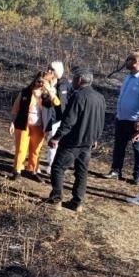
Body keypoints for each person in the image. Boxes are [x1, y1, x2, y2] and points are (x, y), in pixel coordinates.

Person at [47, 68, 106, 212]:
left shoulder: (78, 96)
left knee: (58, 168)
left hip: (73, 141)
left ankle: (56, 199)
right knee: (81, 172)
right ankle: (77, 202)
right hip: (88, 142)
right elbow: (101, 121)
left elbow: (69, 120)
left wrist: (57, 137)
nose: (71, 81)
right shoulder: (100, 97)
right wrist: (96, 137)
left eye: (73, 79)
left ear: (79, 80)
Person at [104, 52, 139, 184]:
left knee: (138, 148)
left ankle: (138, 174)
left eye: (128, 60)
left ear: (136, 62)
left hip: (136, 120)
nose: (125, 62)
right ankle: (116, 170)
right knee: (119, 145)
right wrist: (118, 113)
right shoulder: (128, 77)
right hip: (122, 118)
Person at [9, 72, 59, 181]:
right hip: (23, 124)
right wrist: (12, 122)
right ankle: (17, 170)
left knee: (36, 150)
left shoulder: (46, 95)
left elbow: (57, 103)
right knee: (21, 148)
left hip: (39, 126)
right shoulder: (25, 92)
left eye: (43, 82)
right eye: (38, 81)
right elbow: (15, 109)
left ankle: (33, 170)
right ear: (34, 80)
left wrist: (49, 90)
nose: (40, 84)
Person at [42, 61, 72, 175]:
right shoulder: (45, 82)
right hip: (48, 115)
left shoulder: (64, 84)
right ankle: (51, 163)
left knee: (55, 141)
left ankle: (52, 165)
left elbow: (64, 101)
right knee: (50, 139)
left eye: (51, 69)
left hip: (60, 118)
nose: (48, 71)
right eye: (48, 68)